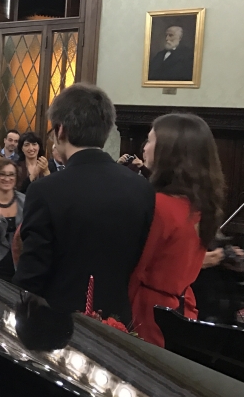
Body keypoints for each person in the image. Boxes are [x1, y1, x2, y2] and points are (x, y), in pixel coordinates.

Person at [13, 84, 155, 324]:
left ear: (60, 130)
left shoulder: (45, 190)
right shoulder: (141, 187)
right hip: (119, 322)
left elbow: (32, 275)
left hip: (58, 324)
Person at [129, 113, 225, 347]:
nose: (144, 148)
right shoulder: (201, 205)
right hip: (181, 310)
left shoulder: (160, 205)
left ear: (169, 151)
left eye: (150, 140)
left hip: (146, 316)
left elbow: (135, 271)